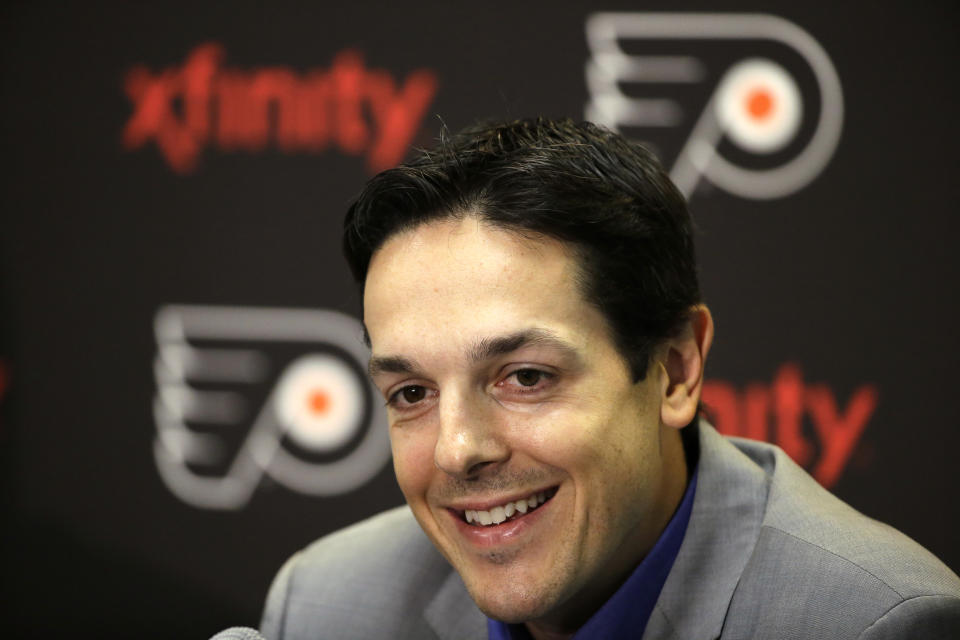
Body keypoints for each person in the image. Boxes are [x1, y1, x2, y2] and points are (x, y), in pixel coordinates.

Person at [259, 118, 960, 639]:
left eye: (525, 377)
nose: (457, 449)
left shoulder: (874, 624)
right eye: (411, 394)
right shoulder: (324, 606)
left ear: (676, 370)